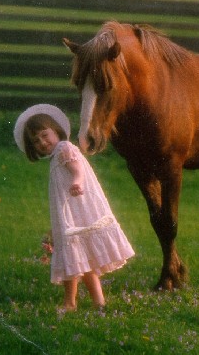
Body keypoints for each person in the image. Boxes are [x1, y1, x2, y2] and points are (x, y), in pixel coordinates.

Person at [13, 104, 135, 311]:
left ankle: (70, 303)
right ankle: (99, 302)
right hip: (72, 213)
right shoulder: (56, 155)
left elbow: (77, 168)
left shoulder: (64, 148)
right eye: (36, 141)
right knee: (83, 260)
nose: (42, 142)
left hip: (75, 214)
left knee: (73, 256)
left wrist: (77, 180)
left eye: (45, 135)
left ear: (56, 131)